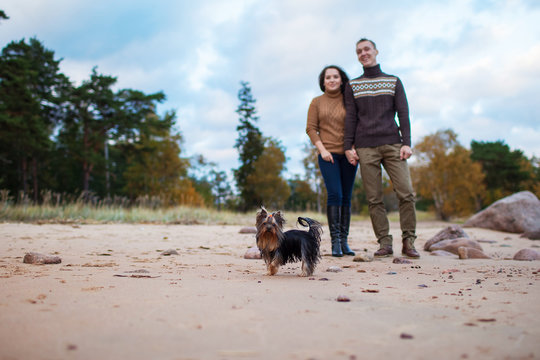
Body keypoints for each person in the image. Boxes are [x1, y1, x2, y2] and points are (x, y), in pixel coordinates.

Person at [343, 38, 420, 258]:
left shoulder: (393, 81)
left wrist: (407, 142)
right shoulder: (352, 85)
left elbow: (403, 113)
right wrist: (348, 146)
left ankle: (409, 241)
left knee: (406, 193)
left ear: (376, 51)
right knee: (374, 198)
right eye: (359, 51)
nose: (363, 53)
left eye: (367, 49)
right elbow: (351, 118)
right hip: (366, 147)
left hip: (393, 144)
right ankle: (384, 243)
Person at [306, 65, 358, 257]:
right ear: (323, 81)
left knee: (346, 197)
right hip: (328, 155)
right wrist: (322, 150)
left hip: (348, 155)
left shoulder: (349, 101)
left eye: (336, 76)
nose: (332, 80)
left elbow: (356, 125)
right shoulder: (316, 102)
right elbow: (311, 128)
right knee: (335, 194)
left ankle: (344, 242)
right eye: (328, 77)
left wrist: (353, 148)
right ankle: (335, 242)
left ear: (342, 79)